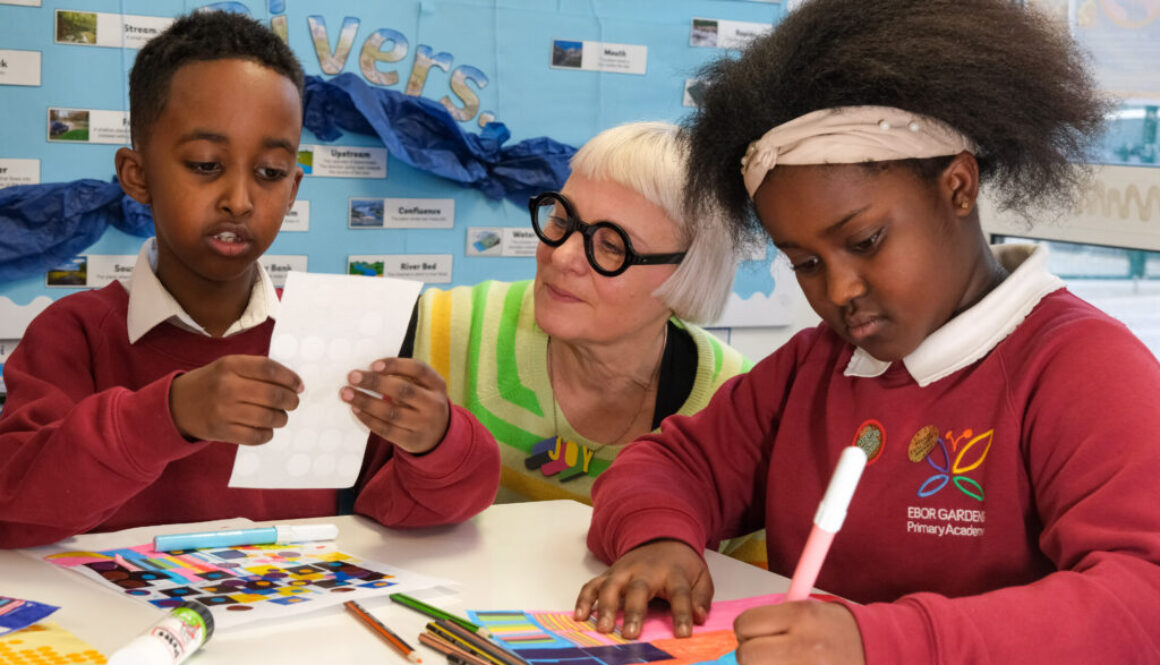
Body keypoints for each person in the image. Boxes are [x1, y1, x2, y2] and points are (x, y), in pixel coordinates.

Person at [576, 1, 1160, 664]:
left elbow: (1142, 600)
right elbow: (670, 465)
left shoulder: (1083, 368)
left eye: (865, 240)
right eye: (805, 263)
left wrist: (883, 641)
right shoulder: (813, 367)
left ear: (959, 186)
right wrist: (662, 540)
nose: (839, 290)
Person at [0, 11, 500, 549]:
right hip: (127, 631)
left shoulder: (327, 337)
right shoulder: (72, 335)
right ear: (137, 176)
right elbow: (15, 509)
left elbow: (424, 507)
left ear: (293, 189)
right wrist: (169, 415)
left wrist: (436, 441)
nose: (239, 200)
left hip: (293, 623)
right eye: (205, 164)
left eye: (269, 173)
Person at [342, 121, 753, 523]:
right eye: (560, 220)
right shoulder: (434, 331)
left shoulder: (735, 403)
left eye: (610, 246)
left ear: (690, 277)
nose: (560, 256)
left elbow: (760, 579)